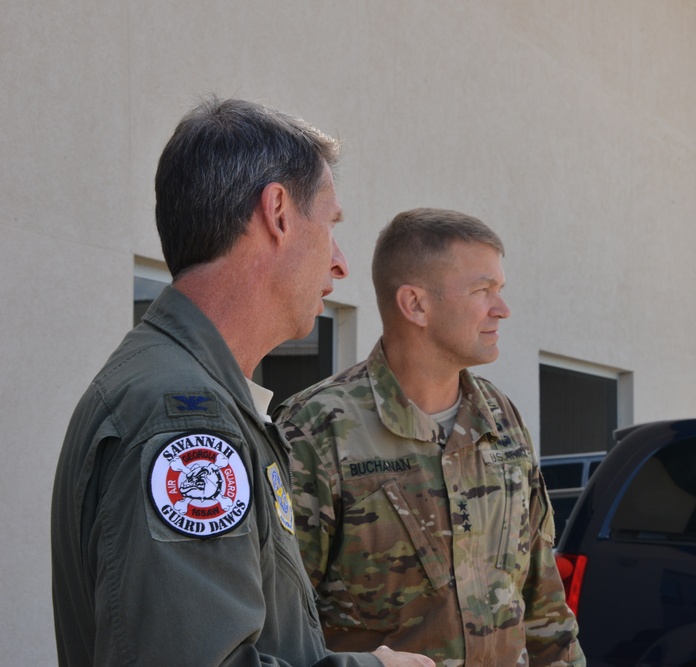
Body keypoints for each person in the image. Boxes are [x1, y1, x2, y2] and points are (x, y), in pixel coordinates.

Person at [50, 97, 434, 667]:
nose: (340, 263)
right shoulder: (184, 417)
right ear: (278, 212)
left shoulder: (192, 394)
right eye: (330, 225)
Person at [274, 208, 585, 666]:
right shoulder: (315, 430)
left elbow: (542, 602)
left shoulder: (501, 419)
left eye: (499, 290)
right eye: (483, 291)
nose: (502, 309)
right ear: (416, 304)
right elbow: (283, 628)